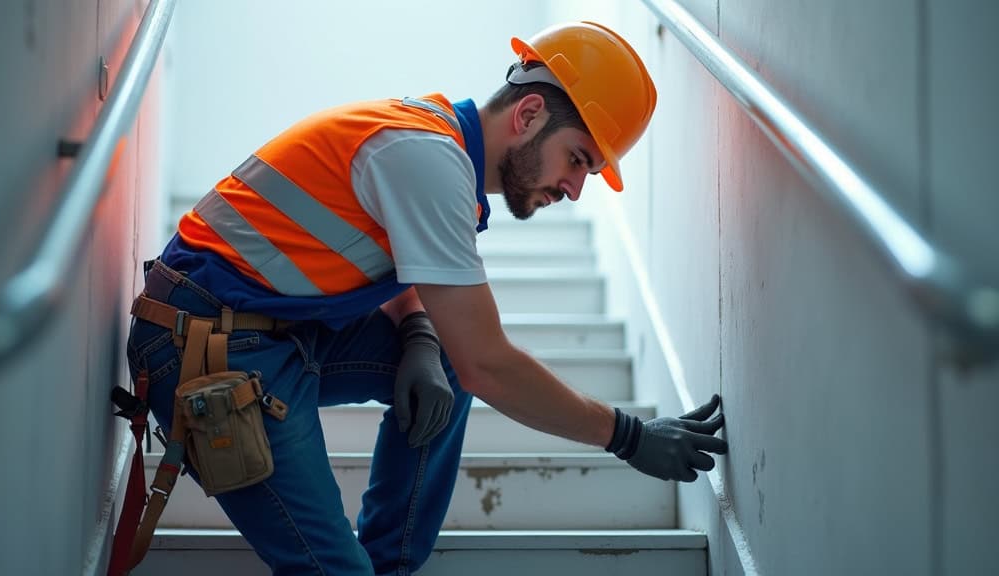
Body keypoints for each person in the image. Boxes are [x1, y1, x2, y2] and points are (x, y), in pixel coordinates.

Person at [124, 21, 728, 576]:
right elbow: (487, 362)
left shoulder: (439, 147)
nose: (574, 189)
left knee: (442, 356)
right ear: (530, 113)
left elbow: (420, 292)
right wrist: (627, 435)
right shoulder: (429, 157)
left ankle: (388, 566)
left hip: (278, 331)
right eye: (577, 159)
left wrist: (416, 337)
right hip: (205, 343)